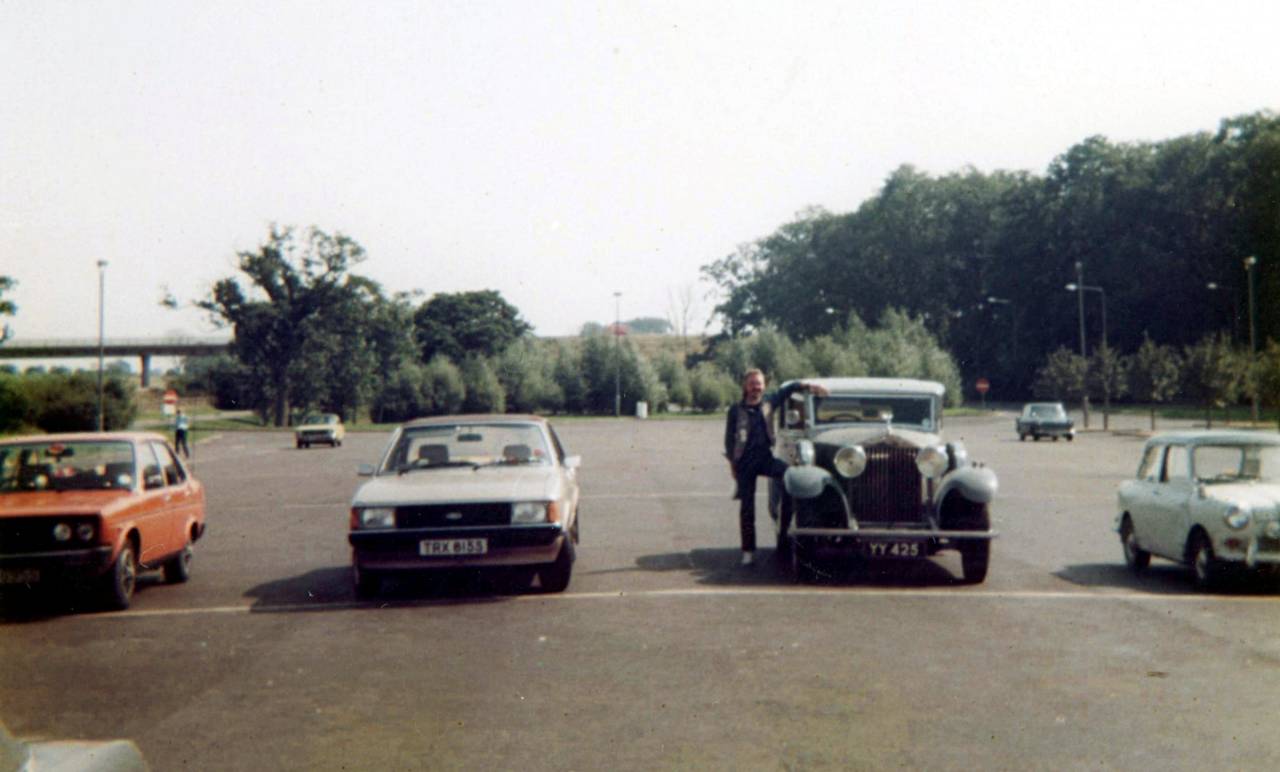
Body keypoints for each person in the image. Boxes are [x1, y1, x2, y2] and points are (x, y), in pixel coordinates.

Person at [723, 369, 827, 566]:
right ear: (746, 386)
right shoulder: (735, 410)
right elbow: (729, 440)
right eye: (753, 384)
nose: (757, 387)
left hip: (765, 458)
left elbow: (789, 389)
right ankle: (748, 550)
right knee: (747, 508)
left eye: (760, 384)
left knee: (790, 476)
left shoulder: (769, 402)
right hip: (744, 462)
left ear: (764, 386)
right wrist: (733, 466)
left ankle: (784, 528)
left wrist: (810, 386)